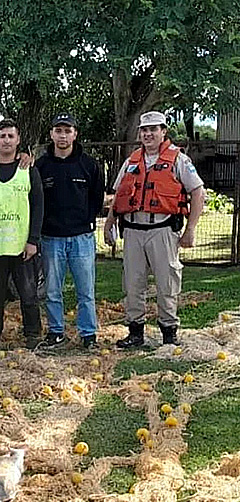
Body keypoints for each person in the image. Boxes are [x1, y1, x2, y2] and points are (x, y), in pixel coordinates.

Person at [104, 111, 205, 347]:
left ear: (163, 132)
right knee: (133, 283)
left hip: (163, 230)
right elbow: (119, 196)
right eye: (144, 130)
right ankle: (135, 332)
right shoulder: (131, 162)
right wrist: (109, 224)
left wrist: (190, 230)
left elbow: (198, 192)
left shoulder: (179, 160)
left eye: (153, 129)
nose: (148, 134)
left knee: (166, 282)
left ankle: (169, 333)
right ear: (140, 133)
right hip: (133, 230)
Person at [0, 119, 44, 351]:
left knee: (28, 294)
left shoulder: (28, 169)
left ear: (18, 140)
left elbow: (38, 206)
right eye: (2, 136)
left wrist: (33, 240)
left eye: (11, 136)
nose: (6, 141)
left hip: (22, 246)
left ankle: (32, 334)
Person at [35, 113, 105, 350]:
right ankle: (56, 332)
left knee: (85, 290)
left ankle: (88, 334)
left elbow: (97, 198)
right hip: (51, 238)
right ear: (52, 134)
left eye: (67, 131)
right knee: (52, 290)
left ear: (75, 134)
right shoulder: (41, 166)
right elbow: (35, 200)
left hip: (81, 238)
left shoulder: (89, 164)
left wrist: (85, 221)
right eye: (58, 131)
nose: (63, 135)